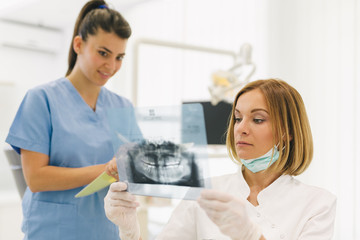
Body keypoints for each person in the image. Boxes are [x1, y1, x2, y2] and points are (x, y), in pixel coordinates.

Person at [104, 79, 337, 240]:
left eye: (257, 119)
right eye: (237, 118)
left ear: (288, 131)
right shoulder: (205, 190)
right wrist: (130, 232)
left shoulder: (317, 204)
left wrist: (251, 236)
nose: (241, 129)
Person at [5, 1, 134, 239]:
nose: (111, 65)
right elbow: (35, 178)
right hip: (53, 231)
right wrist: (106, 169)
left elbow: (135, 167)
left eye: (119, 57)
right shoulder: (41, 99)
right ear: (79, 44)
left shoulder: (122, 107)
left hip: (105, 231)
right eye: (103, 53)